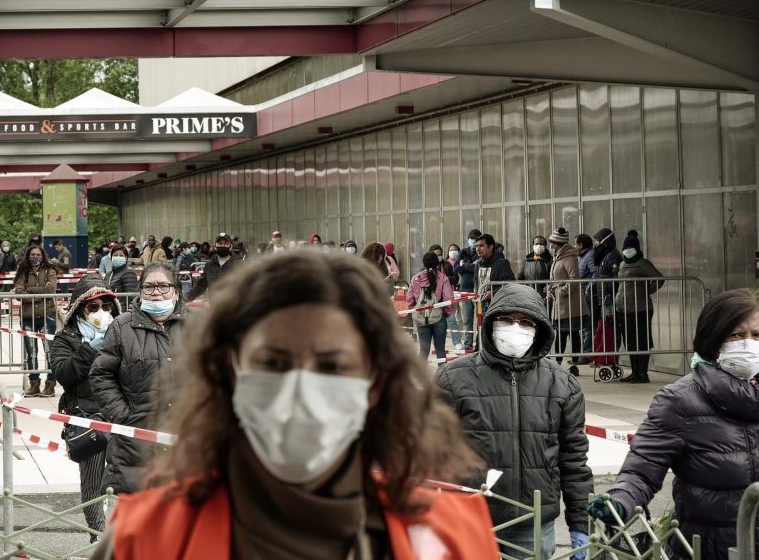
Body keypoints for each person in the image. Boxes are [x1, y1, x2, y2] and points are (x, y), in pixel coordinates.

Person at [91, 251, 498, 559]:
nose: (301, 388)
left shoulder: (455, 537)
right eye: (273, 362)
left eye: (333, 365)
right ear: (229, 374)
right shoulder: (147, 538)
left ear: (376, 381)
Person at [587, 289, 759, 559]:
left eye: (757, 335)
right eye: (736, 335)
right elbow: (642, 467)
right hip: (711, 549)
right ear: (714, 339)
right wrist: (620, 500)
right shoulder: (680, 399)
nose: (748, 343)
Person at [437, 283, 593, 558]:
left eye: (525, 322)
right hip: (468, 518)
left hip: (532, 525)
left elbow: (574, 460)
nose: (515, 328)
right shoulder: (452, 379)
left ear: (538, 330)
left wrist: (581, 523)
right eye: (507, 320)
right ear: (491, 324)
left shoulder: (562, 385)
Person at [91, 263, 186, 494]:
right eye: (149, 287)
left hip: (187, 441)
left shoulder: (200, 324)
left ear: (175, 291)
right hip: (135, 444)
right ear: (140, 291)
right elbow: (101, 374)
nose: (156, 292)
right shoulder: (122, 327)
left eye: (163, 286)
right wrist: (123, 415)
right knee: (138, 522)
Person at [50, 274, 122, 540]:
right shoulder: (65, 339)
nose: (101, 312)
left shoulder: (122, 333)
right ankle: (97, 535)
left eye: (106, 306)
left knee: (125, 479)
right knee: (92, 481)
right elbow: (64, 373)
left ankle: (125, 536)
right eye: (93, 307)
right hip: (86, 417)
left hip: (121, 415)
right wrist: (90, 348)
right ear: (80, 307)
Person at [614, 230, 664, 383]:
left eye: (630, 247)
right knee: (630, 341)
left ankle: (643, 373)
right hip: (624, 308)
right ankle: (635, 371)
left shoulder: (643, 264)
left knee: (642, 340)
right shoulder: (622, 263)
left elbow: (659, 278)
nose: (627, 250)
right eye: (626, 247)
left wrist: (647, 291)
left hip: (640, 308)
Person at [13, 245, 58, 397]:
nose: (35, 257)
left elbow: (51, 290)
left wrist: (30, 292)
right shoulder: (22, 271)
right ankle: (34, 383)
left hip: (47, 315)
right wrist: (39, 291)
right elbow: (19, 293)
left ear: (43, 255)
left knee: (49, 351)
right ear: (27, 256)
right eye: (32, 254)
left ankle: (50, 383)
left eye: (38, 254)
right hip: (28, 317)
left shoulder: (50, 270)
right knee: (31, 352)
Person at [546, 228, 588, 367]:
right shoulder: (557, 257)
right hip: (560, 303)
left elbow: (574, 278)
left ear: (558, 243)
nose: (550, 245)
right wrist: (551, 292)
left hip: (570, 304)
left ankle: (574, 364)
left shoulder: (569, 258)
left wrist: (562, 291)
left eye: (552, 242)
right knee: (561, 334)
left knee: (572, 334)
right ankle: (558, 363)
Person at [407, 252, 454, 362]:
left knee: (423, 351)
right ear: (438, 264)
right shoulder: (443, 278)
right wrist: (446, 313)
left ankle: (420, 378)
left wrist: (416, 311)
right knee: (440, 352)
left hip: (421, 319)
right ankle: (443, 378)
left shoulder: (415, 279)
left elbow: (409, 299)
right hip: (439, 318)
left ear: (423, 264)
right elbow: (448, 300)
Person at [186, 233, 240, 301]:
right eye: (219, 243)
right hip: (214, 306)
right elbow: (201, 285)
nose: (222, 245)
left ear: (231, 246)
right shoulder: (209, 265)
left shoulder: (239, 264)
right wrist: (186, 298)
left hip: (234, 306)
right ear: (215, 246)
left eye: (226, 243)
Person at [574, 234, 596, 362]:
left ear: (581, 245)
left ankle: (587, 354)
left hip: (588, 296)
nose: (574, 246)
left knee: (588, 325)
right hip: (582, 295)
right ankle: (585, 352)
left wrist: (588, 290)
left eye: (576, 244)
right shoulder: (582, 256)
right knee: (584, 325)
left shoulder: (589, 256)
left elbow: (595, 273)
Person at [475, 233, 515, 299]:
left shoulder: (501, 263)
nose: (478, 249)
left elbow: (510, 283)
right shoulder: (478, 264)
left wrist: (493, 293)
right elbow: (477, 283)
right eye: (476, 246)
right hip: (481, 304)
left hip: (499, 304)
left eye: (481, 246)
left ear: (490, 247)